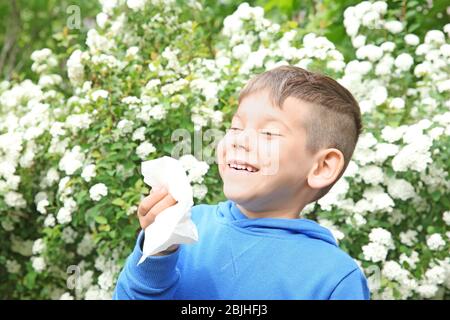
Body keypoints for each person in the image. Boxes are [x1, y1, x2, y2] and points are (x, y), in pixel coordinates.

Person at [113, 65, 370, 299]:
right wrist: (158, 250)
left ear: (322, 167)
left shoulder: (334, 277)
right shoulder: (187, 228)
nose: (240, 140)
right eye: (236, 128)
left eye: (268, 133)